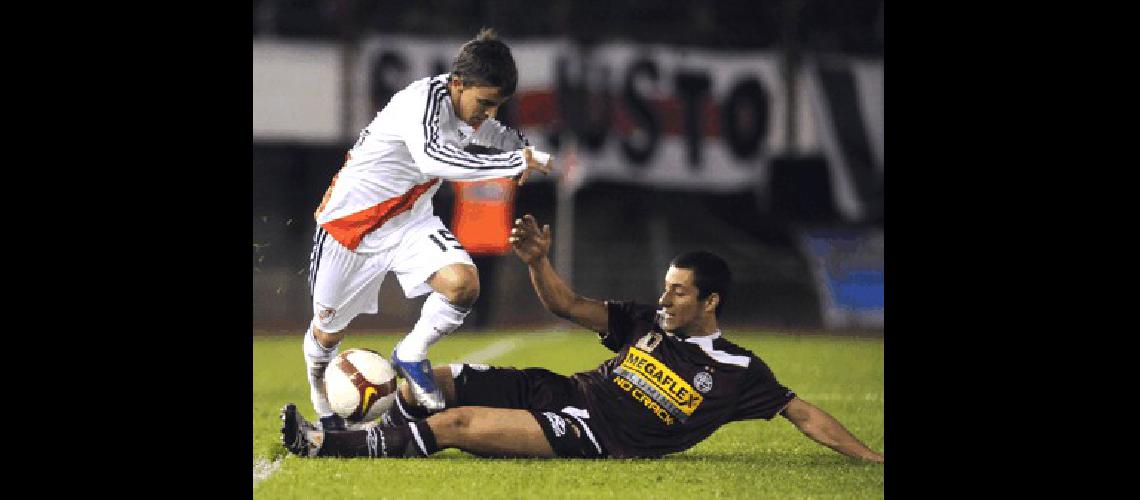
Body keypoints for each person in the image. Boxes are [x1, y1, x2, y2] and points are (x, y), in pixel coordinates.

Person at [282, 215, 883, 462]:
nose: (664, 298)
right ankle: (348, 419)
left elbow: (803, 414)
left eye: (678, 292)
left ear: (710, 302)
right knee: (441, 378)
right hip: (563, 390)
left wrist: (871, 458)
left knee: (458, 426)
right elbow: (566, 305)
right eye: (665, 287)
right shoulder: (645, 322)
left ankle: (325, 444)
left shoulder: (737, 371)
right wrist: (538, 260)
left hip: (598, 433)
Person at [302, 28, 552, 431]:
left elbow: (493, 134)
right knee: (327, 335)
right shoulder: (418, 102)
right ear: (457, 83)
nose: (487, 113)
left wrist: (523, 147)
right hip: (349, 229)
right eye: (484, 103)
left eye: (496, 106)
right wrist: (512, 164)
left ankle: (411, 352)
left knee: (463, 285)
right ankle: (324, 405)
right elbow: (435, 160)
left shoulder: (469, 110)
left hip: (410, 222)